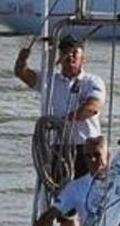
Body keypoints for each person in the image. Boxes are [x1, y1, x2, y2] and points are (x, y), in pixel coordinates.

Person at [14, 36, 106, 177]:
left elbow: (93, 107)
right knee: (58, 189)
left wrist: (64, 121)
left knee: (88, 187)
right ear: (59, 56)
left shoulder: (93, 81)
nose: (70, 56)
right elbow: (22, 73)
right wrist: (22, 60)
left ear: (83, 58)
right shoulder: (50, 80)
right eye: (65, 52)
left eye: (75, 53)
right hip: (59, 148)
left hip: (87, 148)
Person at [17, 136, 109, 226]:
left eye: (97, 155)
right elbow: (49, 216)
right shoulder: (75, 187)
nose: (92, 160)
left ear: (107, 155)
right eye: (88, 156)